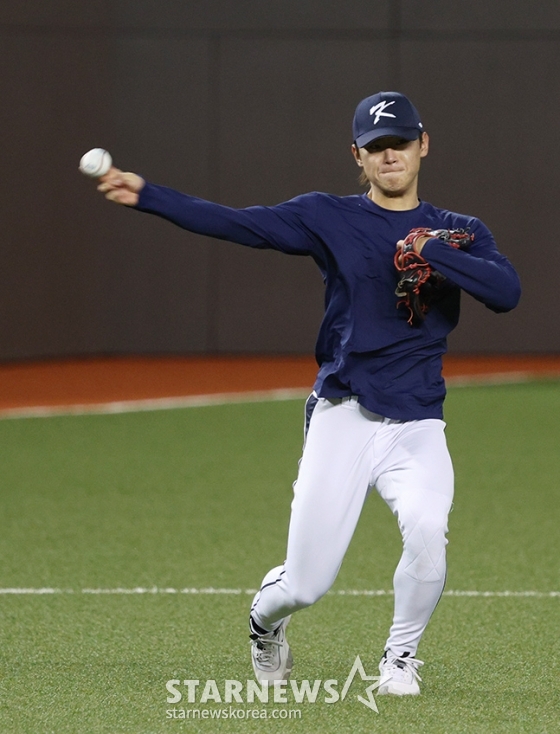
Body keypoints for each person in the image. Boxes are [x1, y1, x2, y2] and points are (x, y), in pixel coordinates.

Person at [96, 91, 521, 695]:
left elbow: (506, 293)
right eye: (376, 147)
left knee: (428, 530)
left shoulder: (459, 232)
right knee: (306, 585)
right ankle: (264, 623)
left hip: (418, 420)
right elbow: (241, 224)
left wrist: (430, 252)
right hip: (343, 414)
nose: (389, 154)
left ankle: (399, 660)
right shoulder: (329, 217)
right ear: (358, 155)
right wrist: (149, 195)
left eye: (399, 141)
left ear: (423, 144)